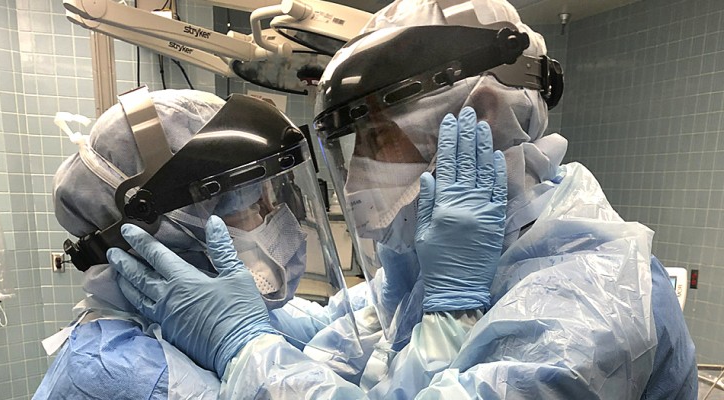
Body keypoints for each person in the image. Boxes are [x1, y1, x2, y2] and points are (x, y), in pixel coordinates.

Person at [113, 1, 697, 399]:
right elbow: (346, 331)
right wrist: (243, 312)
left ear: (483, 118)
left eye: (378, 136)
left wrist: (244, 346)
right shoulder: (441, 267)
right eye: (353, 142)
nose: (356, 176)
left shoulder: (592, 308)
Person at [34, 87, 360, 399]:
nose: (274, 214)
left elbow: (335, 333)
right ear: (162, 227)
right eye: (252, 203)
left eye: (271, 196)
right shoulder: (120, 372)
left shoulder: (222, 316)